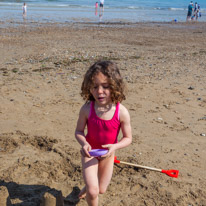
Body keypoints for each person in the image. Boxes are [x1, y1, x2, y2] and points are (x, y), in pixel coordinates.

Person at [75, 60, 132, 206]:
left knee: (101, 189)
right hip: (90, 153)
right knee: (93, 192)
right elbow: (79, 131)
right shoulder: (87, 109)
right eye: (95, 87)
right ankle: (90, 188)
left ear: (114, 87)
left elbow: (128, 138)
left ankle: (88, 186)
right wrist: (84, 143)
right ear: (89, 88)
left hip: (108, 154)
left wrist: (114, 147)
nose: (99, 91)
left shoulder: (122, 112)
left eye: (105, 87)